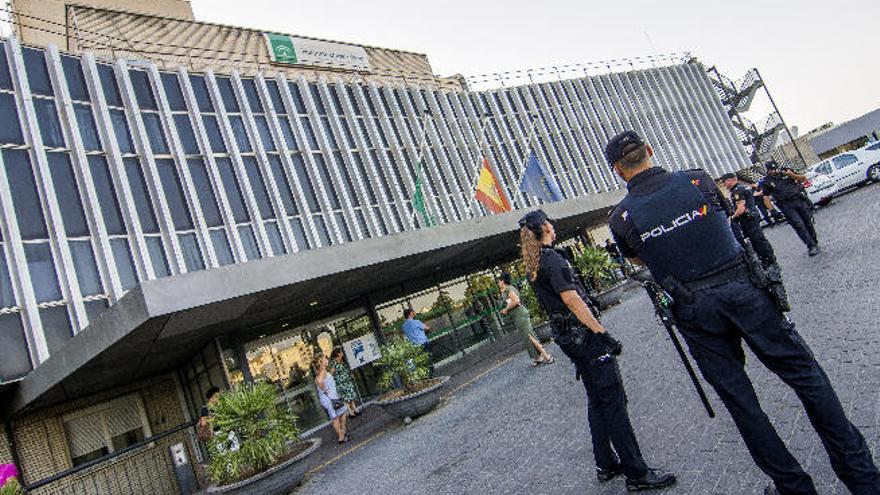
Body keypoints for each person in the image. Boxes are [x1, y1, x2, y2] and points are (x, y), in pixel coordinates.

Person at [605, 130, 880, 495]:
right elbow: (721, 218)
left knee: (742, 402)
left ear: (617, 170)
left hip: (693, 310)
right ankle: (862, 476)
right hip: (745, 289)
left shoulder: (621, 216)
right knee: (805, 375)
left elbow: (640, 257)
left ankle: (793, 487)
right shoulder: (697, 179)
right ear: (650, 151)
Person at [519, 209, 676, 492]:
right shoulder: (552, 259)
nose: (554, 226)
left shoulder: (536, 262)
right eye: (550, 223)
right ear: (544, 227)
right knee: (614, 400)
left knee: (597, 399)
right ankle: (636, 472)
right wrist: (602, 334)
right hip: (584, 337)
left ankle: (605, 463)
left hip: (568, 338)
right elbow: (571, 299)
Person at [761, 161, 820, 256]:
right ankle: (811, 245)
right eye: (772, 170)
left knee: (808, 222)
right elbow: (765, 197)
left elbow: (803, 178)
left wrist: (791, 174)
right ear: (768, 171)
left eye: (776, 168)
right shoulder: (767, 181)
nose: (775, 171)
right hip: (786, 205)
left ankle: (814, 241)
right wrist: (772, 210)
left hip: (798, 200)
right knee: (798, 224)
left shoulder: (787, 171)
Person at [721, 172, 778, 269]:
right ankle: (769, 259)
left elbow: (741, 209)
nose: (724, 185)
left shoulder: (737, 190)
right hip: (751, 218)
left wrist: (732, 218)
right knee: (759, 239)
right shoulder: (741, 188)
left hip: (749, 219)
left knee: (757, 240)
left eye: (724, 182)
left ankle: (769, 261)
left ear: (729, 180)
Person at [497, 273, 554, 367]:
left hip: (520, 315)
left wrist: (506, 309)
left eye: (499, 281)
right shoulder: (505, 290)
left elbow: (516, 301)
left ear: (502, 281)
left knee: (530, 336)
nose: (498, 283)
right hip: (517, 316)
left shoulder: (509, 289)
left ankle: (546, 356)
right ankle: (538, 358)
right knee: (527, 337)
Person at [314, 354, 349, 444]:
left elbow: (320, 380)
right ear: (321, 362)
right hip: (329, 398)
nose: (327, 360)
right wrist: (324, 389)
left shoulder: (320, 371)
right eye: (325, 359)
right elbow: (318, 381)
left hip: (329, 397)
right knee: (337, 416)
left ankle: (342, 432)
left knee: (340, 413)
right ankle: (341, 436)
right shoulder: (322, 370)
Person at [329, 347, 360, 418]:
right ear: (338, 354)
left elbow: (346, 370)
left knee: (351, 396)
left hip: (348, 382)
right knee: (345, 398)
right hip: (341, 384)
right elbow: (331, 373)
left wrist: (350, 374)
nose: (342, 353)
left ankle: (355, 409)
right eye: (341, 352)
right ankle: (350, 412)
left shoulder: (342, 361)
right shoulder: (334, 363)